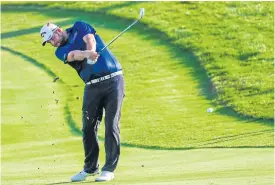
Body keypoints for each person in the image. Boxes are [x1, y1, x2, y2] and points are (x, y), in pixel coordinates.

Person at [40, 21, 125, 182]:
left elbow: (90, 39)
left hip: (114, 80)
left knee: (111, 124)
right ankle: (90, 168)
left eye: (53, 37)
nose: (53, 42)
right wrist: (88, 55)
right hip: (92, 86)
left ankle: (108, 169)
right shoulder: (60, 51)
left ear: (58, 30)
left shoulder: (79, 25)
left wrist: (91, 51)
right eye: (50, 41)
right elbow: (73, 55)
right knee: (88, 127)